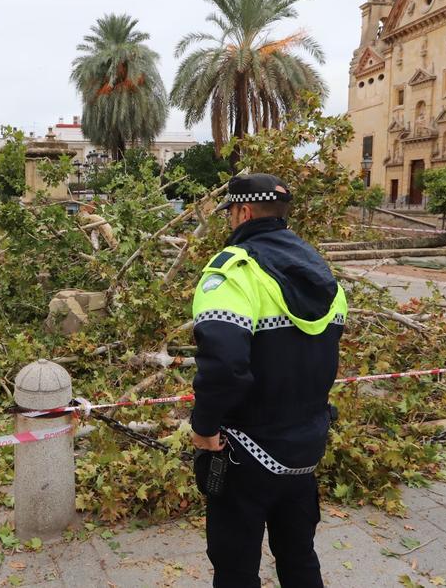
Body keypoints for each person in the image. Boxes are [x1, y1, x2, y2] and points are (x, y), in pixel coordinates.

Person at [189, 173, 347, 588]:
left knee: (235, 566)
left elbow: (223, 364)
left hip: (246, 451)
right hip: (307, 446)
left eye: (230, 215)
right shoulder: (322, 274)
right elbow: (326, 351)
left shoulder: (234, 271)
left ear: (242, 212)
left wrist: (204, 429)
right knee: (298, 556)